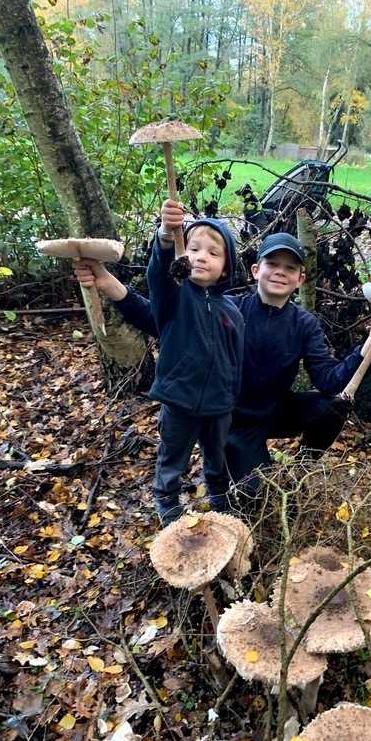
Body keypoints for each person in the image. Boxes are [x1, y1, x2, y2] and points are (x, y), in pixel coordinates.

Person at [73, 199, 371, 507]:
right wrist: (107, 282)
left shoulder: (305, 324)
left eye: (289, 268)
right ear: (256, 270)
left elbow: (329, 380)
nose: (279, 272)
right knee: (256, 497)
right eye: (272, 263)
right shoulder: (231, 310)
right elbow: (158, 317)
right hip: (231, 422)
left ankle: (300, 471)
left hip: (274, 411)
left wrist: (366, 348)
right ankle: (244, 467)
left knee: (332, 407)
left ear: (300, 280)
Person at [116, 214, 244, 526]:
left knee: (217, 457)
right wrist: (164, 236)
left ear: (225, 267)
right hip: (179, 401)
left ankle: (219, 497)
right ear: (182, 255)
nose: (202, 257)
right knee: (173, 456)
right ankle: (167, 502)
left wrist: (231, 396)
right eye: (194, 248)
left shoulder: (232, 311)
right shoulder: (175, 296)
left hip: (219, 405)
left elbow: (235, 358)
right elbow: (157, 276)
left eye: (213, 253)